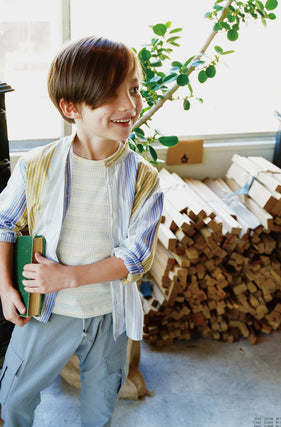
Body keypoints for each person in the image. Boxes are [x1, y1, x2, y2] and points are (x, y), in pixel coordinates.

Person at [0, 36, 163, 426]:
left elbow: (135, 257)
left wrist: (67, 276)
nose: (130, 104)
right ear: (71, 107)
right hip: (47, 314)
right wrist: (5, 288)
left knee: (102, 402)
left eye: (134, 89)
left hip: (109, 315)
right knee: (13, 396)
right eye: (112, 93)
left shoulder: (143, 177)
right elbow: (5, 224)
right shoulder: (37, 165)